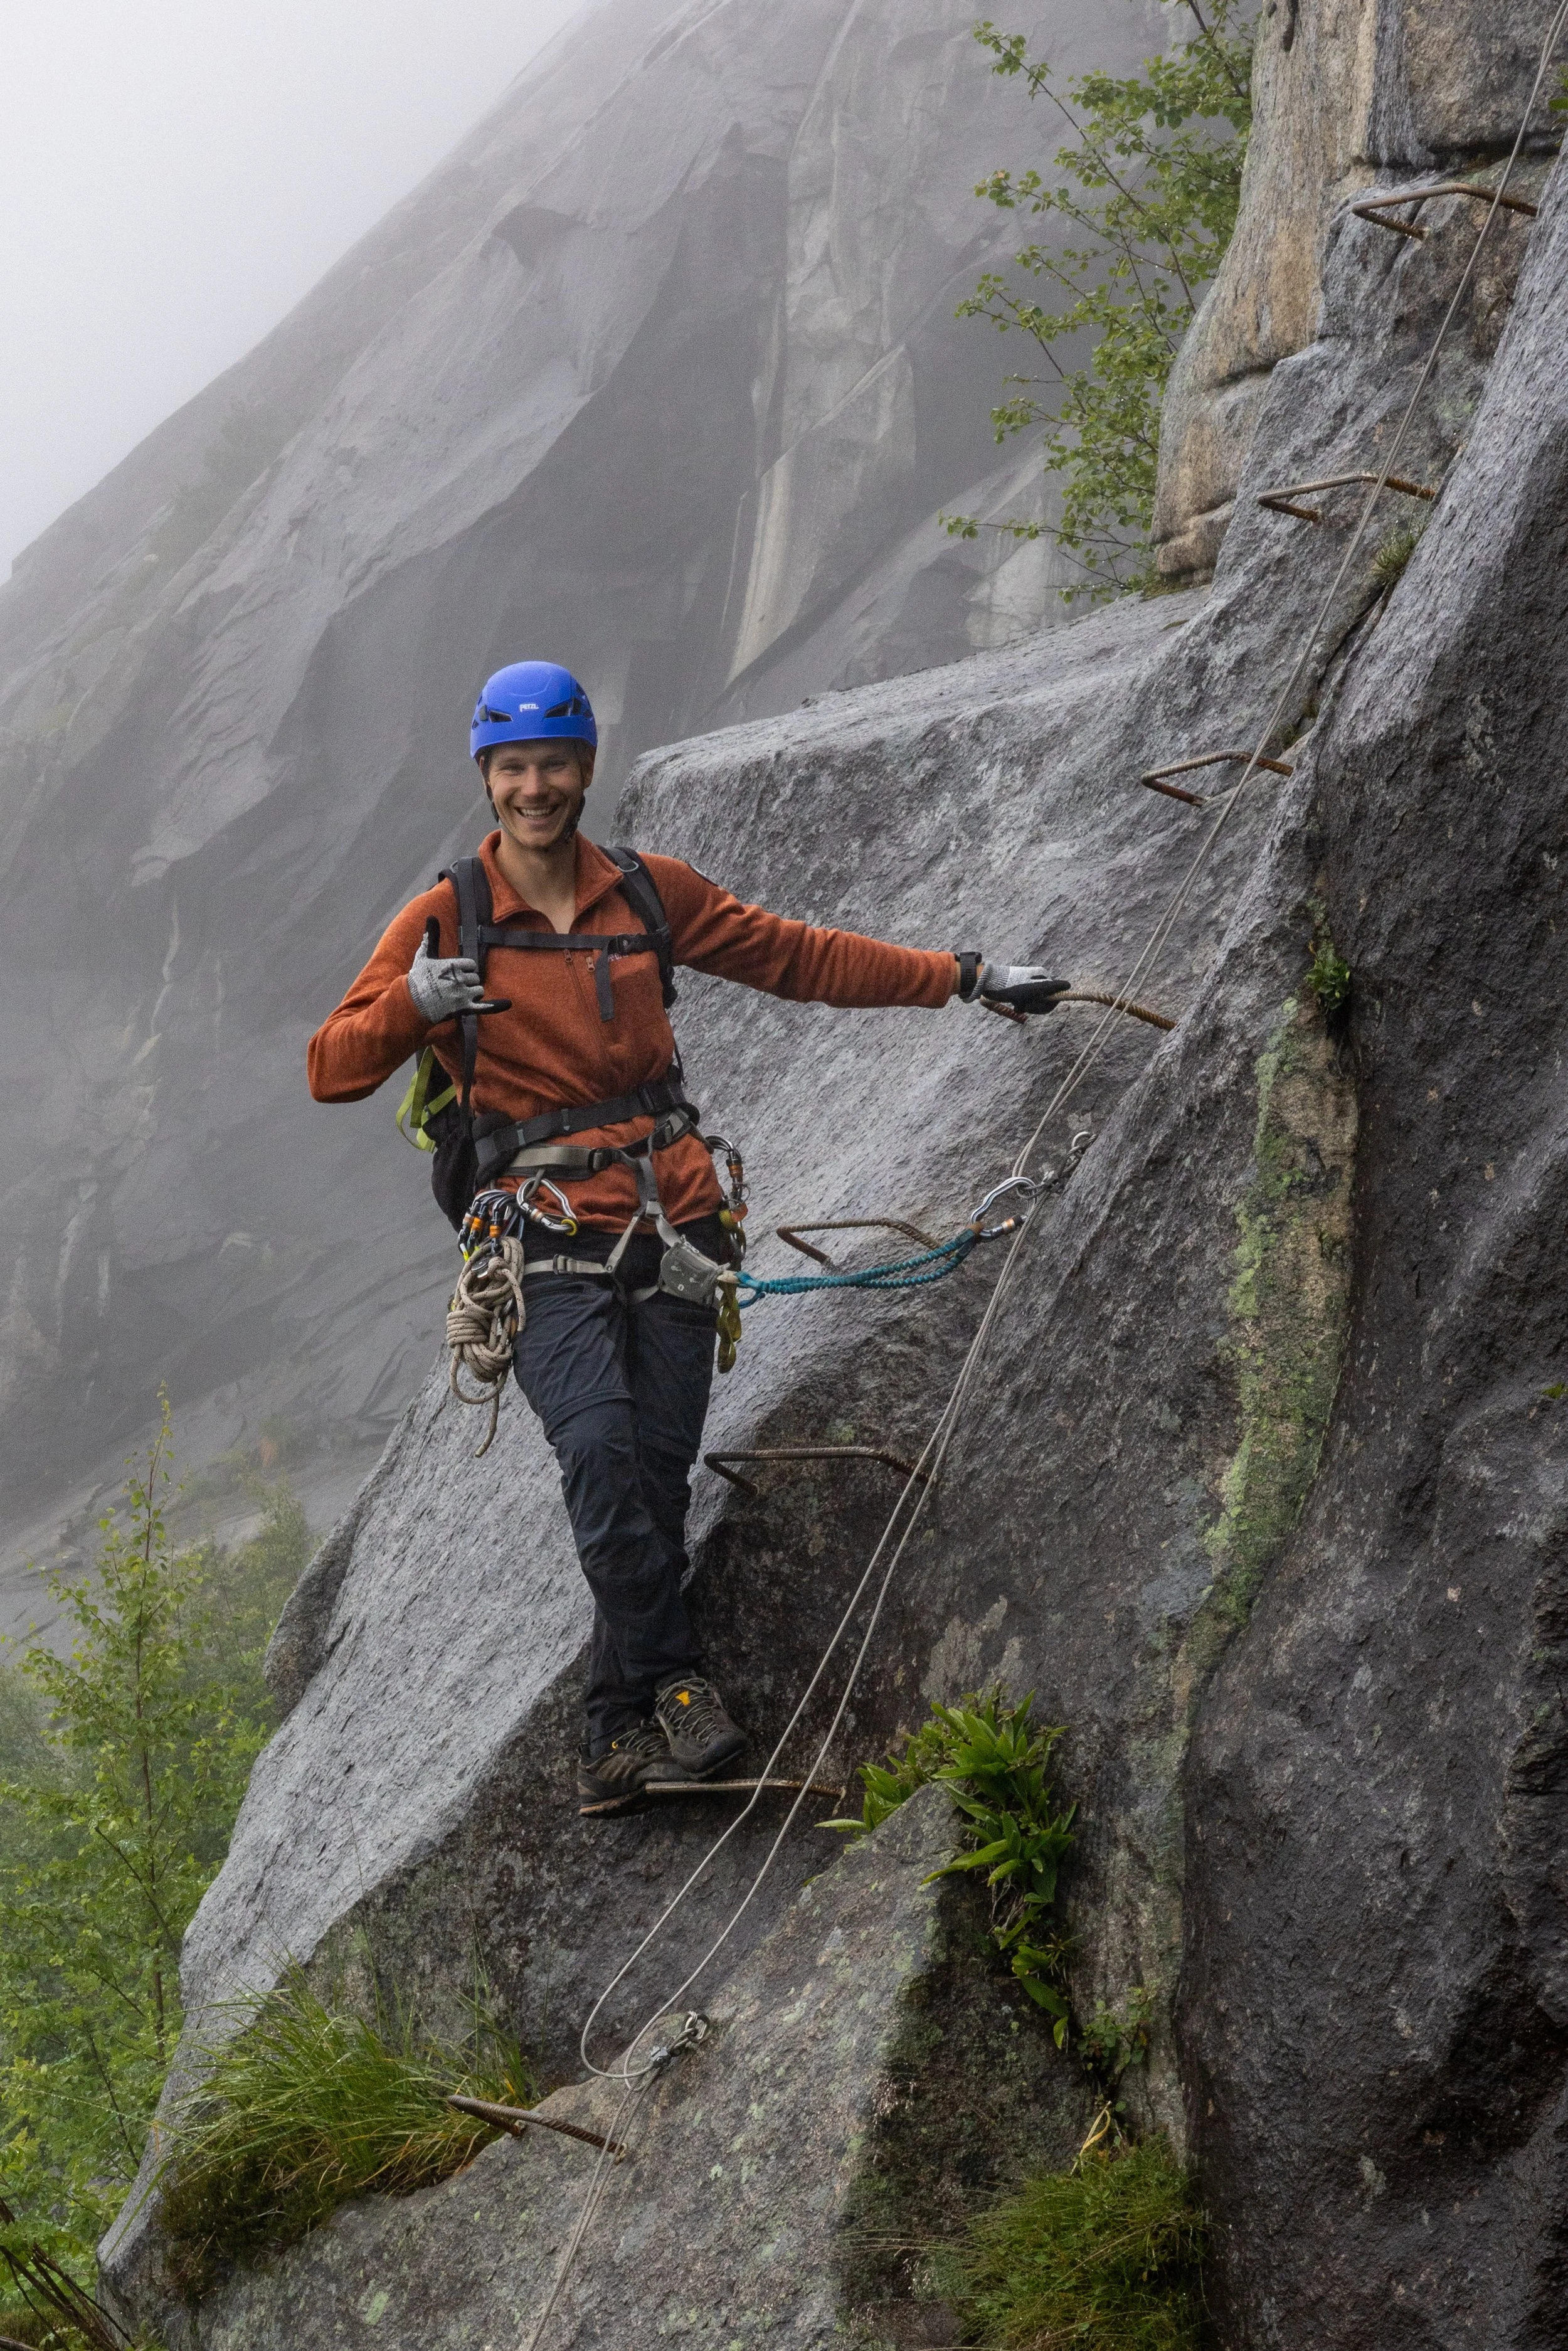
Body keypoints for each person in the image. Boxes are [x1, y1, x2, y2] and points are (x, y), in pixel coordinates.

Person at [307, 661, 1070, 1815]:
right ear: (486, 776)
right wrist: (414, 1005)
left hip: (677, 1222)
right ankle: (673, 1689)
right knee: (604, 1456)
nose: (536, 788)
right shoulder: (446, 917)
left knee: (652, 1483)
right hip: (541, 1235)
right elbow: (329, 1068)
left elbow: (797, 955)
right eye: (513, 768)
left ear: (586, 767)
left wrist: (964, 978)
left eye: (555, 764)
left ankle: (619, 1738)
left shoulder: (647, 894)